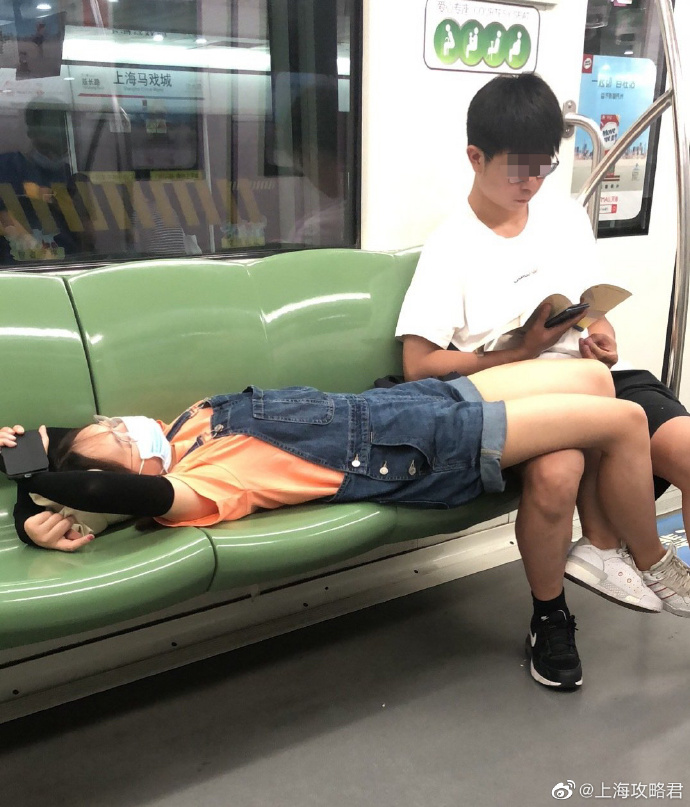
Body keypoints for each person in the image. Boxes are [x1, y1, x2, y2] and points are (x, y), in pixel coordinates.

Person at [3, 359, 690, 690]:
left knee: (596, 380)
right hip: (420, 448)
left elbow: (49, 438)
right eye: (124, 441)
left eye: (112, 424)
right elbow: (95, 484)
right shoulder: (198, 484)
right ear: (135, 478)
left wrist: (20, 461)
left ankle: (598, 549)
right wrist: (31, 499)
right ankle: (651, 562)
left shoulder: (187, 426)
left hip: (411, 402)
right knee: (626, 420)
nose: (126, 426)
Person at [395, 73, 690, 684]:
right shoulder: (451, 246)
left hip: (586, 372)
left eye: (544, 167)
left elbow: (587, 308)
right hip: (518, 389)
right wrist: (521, 351)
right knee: (560, 471)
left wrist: (600, 331)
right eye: (517, 169)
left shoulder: (563, 217)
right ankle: (556, 612)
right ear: (475, 158)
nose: (531, 183)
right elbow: (419, 367)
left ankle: (630, 559)